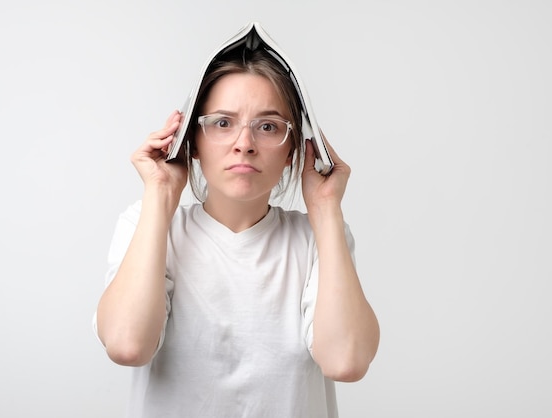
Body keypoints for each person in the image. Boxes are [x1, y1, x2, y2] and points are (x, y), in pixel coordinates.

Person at [94, 36, 379, 418]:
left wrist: (326, 209)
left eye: (267, 126)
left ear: (293, 148)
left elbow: (347, 361)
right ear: (191, 141)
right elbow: (127, 345)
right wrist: (159, 195)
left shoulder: (318, 238)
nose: (244, 143)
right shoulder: (146, 224)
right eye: (223, 123)